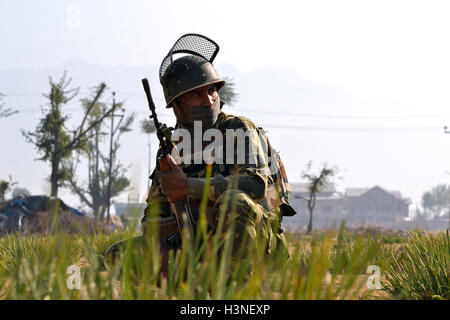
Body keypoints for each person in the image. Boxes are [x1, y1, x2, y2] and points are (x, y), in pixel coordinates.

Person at [105, 35, 296, 275]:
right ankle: (193, 280)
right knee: (119, 255)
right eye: (196, 94)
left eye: (212, 90)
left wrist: (188, 186)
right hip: (195, 244)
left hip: (256, 243)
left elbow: (255, 184)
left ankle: (232, 288)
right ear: (177, 104)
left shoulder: (239, 129)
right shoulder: (172, 149)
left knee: (234, 202)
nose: (208, 101)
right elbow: (153, 216)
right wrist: (162, 241)